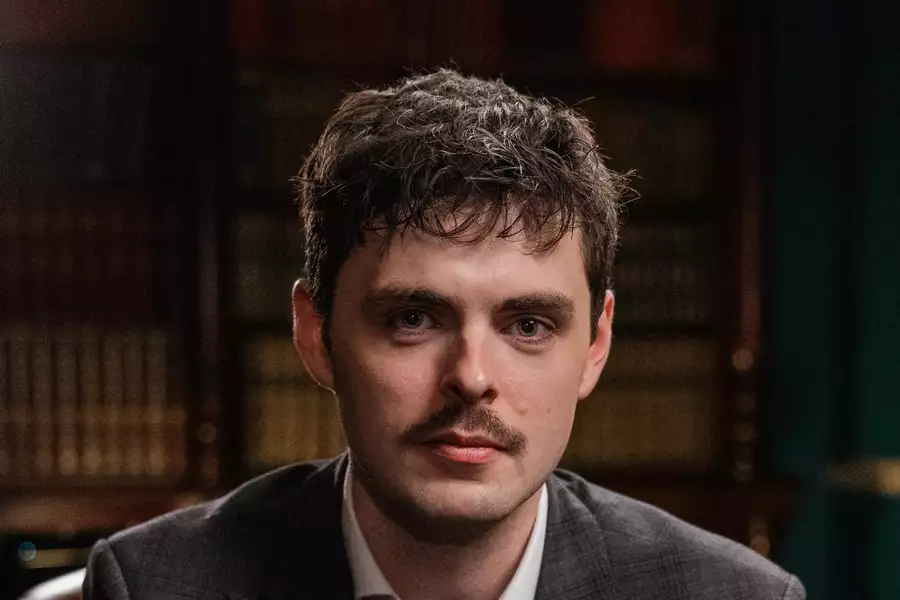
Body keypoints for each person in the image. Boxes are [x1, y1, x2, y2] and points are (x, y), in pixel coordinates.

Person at [83, 69, 805, 600]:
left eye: (528, 325)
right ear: (314, 333)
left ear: (596, 346)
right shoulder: (153, 587)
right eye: (413, 319)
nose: (471, 376)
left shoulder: (735, 596)